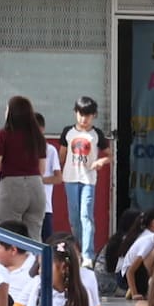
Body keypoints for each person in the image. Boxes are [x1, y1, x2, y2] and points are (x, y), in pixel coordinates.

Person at [59, 96, 111, 260]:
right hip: (70, 179)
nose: (84, 119)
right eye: (81, 114)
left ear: (94, 115)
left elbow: (110, 155)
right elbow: (62, 156)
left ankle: (88, 255)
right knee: (74, 218)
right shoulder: (68, 132)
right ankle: (79, 249)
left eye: (88, 115)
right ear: (75, 113)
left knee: (86, 216)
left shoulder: (97, 134)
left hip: (88, 180)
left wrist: (101, 161)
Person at [0, 95, 47, 241]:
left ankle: (7, 264)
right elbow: (42, 169)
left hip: (11, 185)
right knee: (34, 235)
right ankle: (34, 262)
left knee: (6, 233)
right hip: (36, 186)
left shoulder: (3, 135)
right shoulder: (38, 137)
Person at [116, 207, 154, 299]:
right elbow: (130, 270)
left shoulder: (151, 236)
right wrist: (135, 294)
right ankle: (137, 289)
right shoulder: (149, 240)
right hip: (126, 277)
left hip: (131, 274)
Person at [36, 113, 63, 241]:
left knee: (47, 242)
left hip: (44, 205)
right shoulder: (20, 149)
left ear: (42, 129)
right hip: (24, 206)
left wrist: (39, 180)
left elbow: (58, 178)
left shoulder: (50, 150)